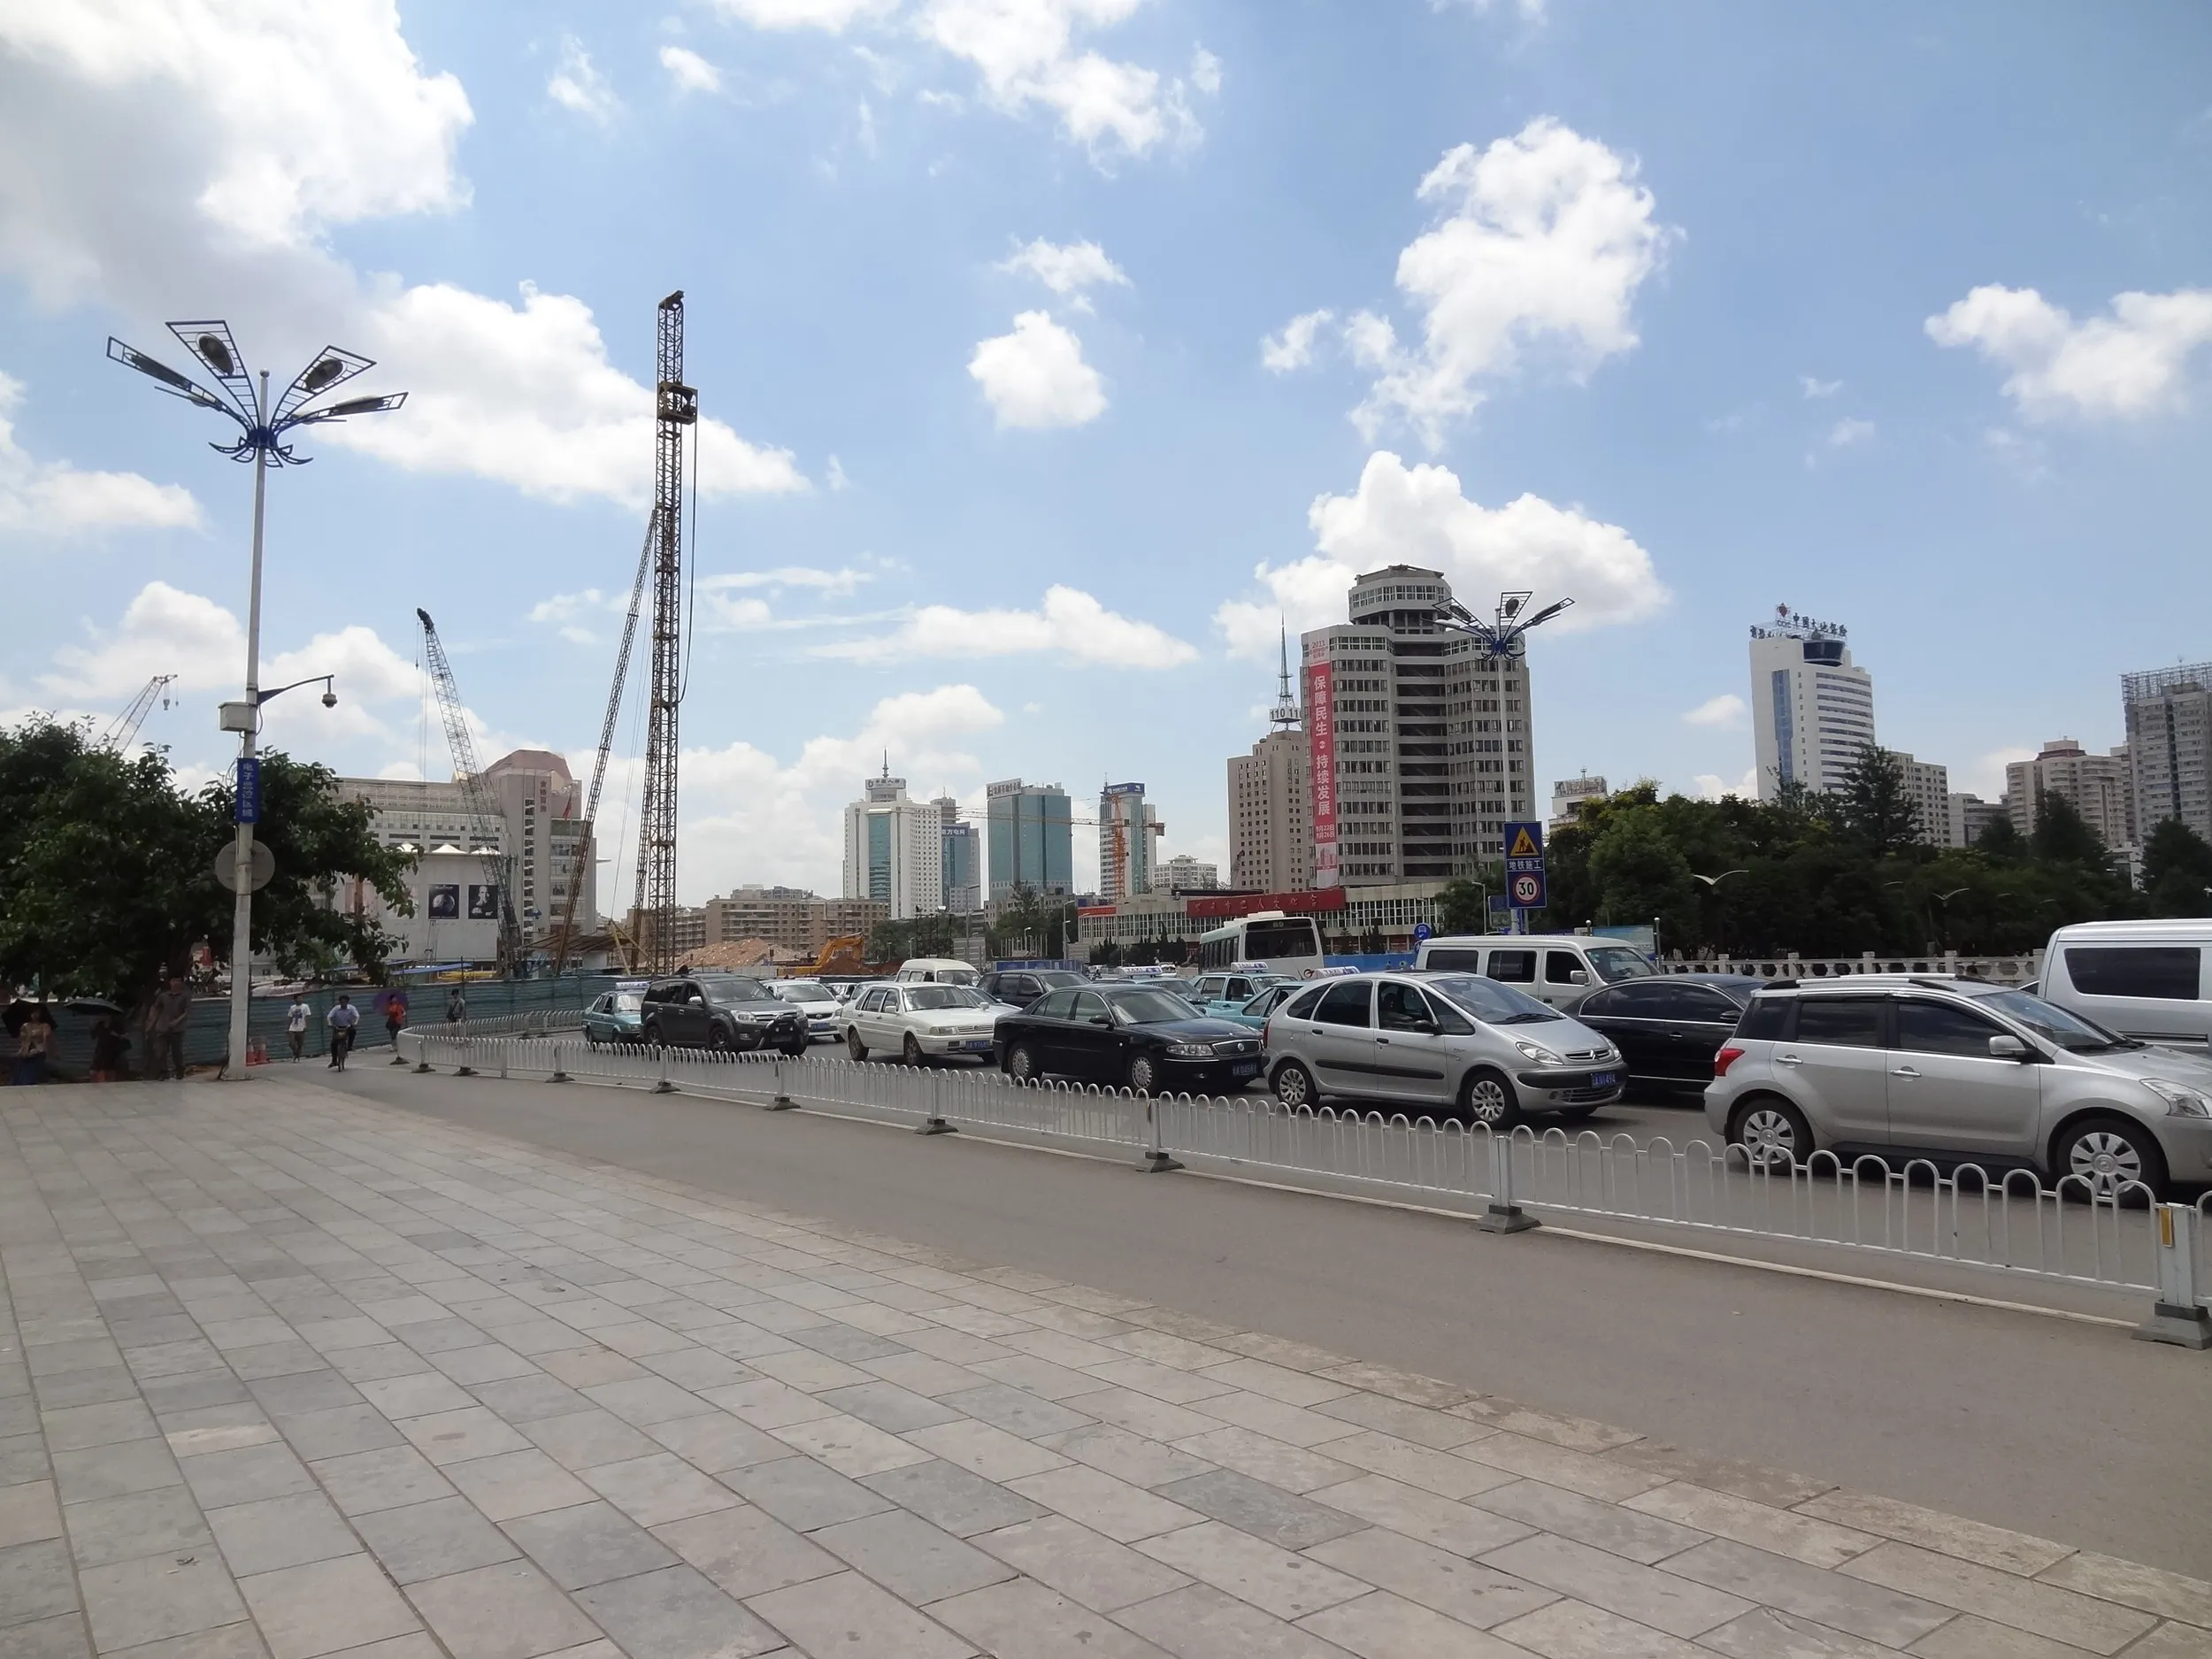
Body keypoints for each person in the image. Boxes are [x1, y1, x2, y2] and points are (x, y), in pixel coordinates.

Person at [148, 975, 192, 1080]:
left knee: (176, 1052)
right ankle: (163, 1073)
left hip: (177, 1029)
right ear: (170, 982)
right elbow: (156, 1010)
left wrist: (177, 1021)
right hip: (162, 1028)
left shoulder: (185, 996)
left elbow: (187, 1012)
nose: (175, 983)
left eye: (178, 981)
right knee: (161, 1051)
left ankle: (179, 1070)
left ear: (181, 983)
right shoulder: (163, 996)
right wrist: (151, 1025)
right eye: (173, 981)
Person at [12, 1000, 54, 1087]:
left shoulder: (44, 1026)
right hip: (25, 1053)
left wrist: (47, 1052)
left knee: (31, 1076)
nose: (35, 1015)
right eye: (33, 1013)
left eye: (37, 1013)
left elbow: (46, 1038)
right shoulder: (25, 1026)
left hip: (38, 1052)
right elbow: (21, 1039)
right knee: (20, 1076)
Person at [89, 1012, 128, 1082]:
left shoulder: (116, 1025)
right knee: (93, 1072)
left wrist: (116, 1035)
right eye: (101, 1015)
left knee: (109, 1074)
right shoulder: (99, 1025)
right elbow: (93, 1036)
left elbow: (125, 1036)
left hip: (111, 1052)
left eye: (104, 1015)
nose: (102, 1017)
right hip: (100, 1051)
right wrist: (92, 1026)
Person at [326, 995, 360, 1071]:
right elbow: (329, 1016)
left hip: (347, 1027)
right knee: (333, 1044)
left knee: (353, 1031)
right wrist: (330, 1023)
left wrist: (355, 1023)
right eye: (342, 1002)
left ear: (348, 1002)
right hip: (338, 1027)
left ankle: (350, 1046)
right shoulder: (336, 1009)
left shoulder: (351, 1008)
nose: (343, 1003)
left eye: (345, 1002)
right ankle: (334, 1061)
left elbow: (357, 1016)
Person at [383, 992, 408, 1063]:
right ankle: (394, 1046)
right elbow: (388, 1014)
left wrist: (401, 1016)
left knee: (394, 1033)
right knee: (392, 1034)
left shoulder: (399, 1006)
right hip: (391, 1021)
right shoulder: (389, 1007)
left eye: (395, 998)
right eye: (393, 998)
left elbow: (404, 1013)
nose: (394, 999)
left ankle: (395, 1046)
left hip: (398, 1021)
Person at [287, 994, 311, 1062]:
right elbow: (290, 1017)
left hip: (301, 1027)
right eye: (298, 998)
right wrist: (288, 1027)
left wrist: (306, 1026)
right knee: (291, 1043)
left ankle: (297, 1056)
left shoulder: (305, 1006)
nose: (300, 1000)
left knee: (300, 1044)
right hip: (293, 1027)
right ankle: (296, 1053)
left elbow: (307, 1016)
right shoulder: (292, 1007)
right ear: (295, 1000)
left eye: (301, 998)